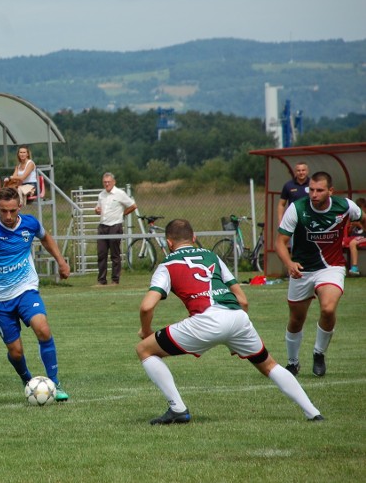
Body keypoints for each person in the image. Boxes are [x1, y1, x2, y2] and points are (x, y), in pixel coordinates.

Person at [136, 218, 323, 424]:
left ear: (169, 243)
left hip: (206, 320)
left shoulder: (167, 265)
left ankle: (178, 409)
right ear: (194, 238)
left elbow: (146, 306)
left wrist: (146, 330)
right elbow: (243, 300)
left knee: (145, 349)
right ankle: (313, 412)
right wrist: (236, 333)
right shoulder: (212, 256)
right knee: (269, 365)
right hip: (237, 317)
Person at [0, 186, 71, 401]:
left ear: (19, 206)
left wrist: (61, 261)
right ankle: (28, 381)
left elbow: (46, 238)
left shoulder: (30, 223)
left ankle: (55, 383)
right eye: (3, 211)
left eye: (12, 210)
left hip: (25, 288)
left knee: (43, 329)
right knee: (16, 351)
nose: (8, 216)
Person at [276, 171, 363, 378]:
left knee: (328, 308)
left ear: (330, 191)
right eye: (311, 190)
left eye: (319, 190)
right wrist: (289, 263)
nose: (314, 194)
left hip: (330, 267)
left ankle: (319, 353)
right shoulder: (297, 209)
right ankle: (293, 362)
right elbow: (280, 242)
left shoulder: (346, 206)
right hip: (302, 270)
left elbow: (362, 218)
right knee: (296, 319)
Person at [94, 172, 137, 286]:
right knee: (101, 254)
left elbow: (133, 205)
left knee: (115, 254)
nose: (107, 184)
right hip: (103, 226)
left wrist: (123, 214)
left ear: (114, 182)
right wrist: (97, 211)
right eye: (105, 182)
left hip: (115, 226)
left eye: (109, 182)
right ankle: (101, 280)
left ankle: (115, 280)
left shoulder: (120, 193)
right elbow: (98, 208)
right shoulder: (101, 195)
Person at [344, 198, 366, 275]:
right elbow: (349, 232)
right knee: (341, 242)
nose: (359, 210)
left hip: (363, 237)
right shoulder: (355, 217)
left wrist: (359, 224)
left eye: (361, 207)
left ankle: (354, 267)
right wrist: (352, 226)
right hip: (354, 237)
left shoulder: (364, 217)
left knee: (352, 243)